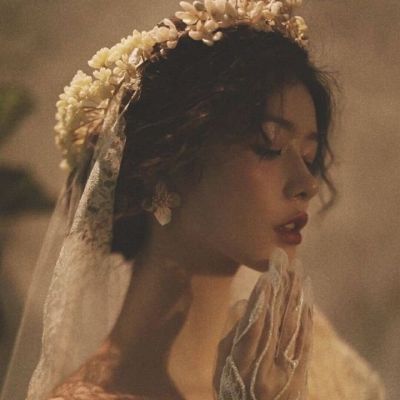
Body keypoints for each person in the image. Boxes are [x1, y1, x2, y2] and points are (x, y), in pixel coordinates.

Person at [1, 1, 386, 399]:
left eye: (308, 156)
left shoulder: (310, 358)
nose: (307, 184)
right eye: (268, 146)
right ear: (166, 163)